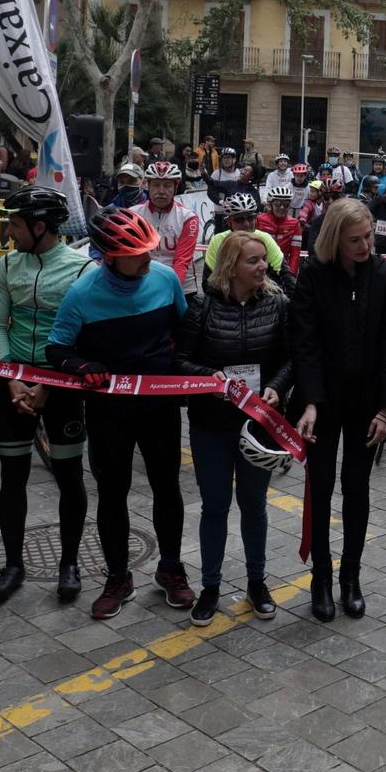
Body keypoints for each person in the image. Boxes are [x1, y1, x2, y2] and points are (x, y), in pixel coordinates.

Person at [46, 207, 196, 619]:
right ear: (110, 257)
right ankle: (118, 576)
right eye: (140, 254)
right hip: (108, 411)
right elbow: (57, 348)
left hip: (159, 408)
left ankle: (171, 569)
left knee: (168, 488)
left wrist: (181, 369)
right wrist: (81, 366)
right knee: (112, 493)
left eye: (151, 250)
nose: (150, 259)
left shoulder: (165, 280)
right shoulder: (82, 293)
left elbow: (185, 330)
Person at [291, 199, 386, 621]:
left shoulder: (383, 274)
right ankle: (320, 577)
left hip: (367, 404)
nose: (365, 244)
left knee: (356, 488)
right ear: (335, 239)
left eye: (369, 235)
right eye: (355, 239)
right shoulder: (314, 275)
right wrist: (310, 402)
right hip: (323, 402)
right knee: (320, 489)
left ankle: (350, 577)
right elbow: (305, 344)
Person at [174, 229, 292, 626]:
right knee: (215, 507)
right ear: (230, 267)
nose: (263, 266)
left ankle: (257, 582)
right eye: (253, 261)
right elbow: (180, 362)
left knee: (254, 506)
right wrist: (214, 380)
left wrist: (276, 388)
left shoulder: (277, 304)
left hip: (258, 426)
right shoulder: (201, 307)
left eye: (264, 260)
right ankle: (210, 587)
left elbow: (291, 359)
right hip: (211, 426)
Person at [0, 187, 91, 607]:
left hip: (60, 384)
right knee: (12, 477)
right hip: (13, 380)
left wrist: (46, 385)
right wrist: (10, 379)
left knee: (69, 476)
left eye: (14, 223)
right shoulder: (7, 265)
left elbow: (82, 335)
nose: (8, 230)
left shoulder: (82, 269)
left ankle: (69, 563)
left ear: (40, 226)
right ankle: (12, 565)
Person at [138, 161, 202, 301]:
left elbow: (181, 261)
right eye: (155, 185)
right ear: (147, 186)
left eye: (167, 185)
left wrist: (170, 292)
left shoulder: (188, 218)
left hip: (181, 287)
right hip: (144, 284)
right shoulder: (134, 214)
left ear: (175, 187)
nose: (161, 191)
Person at [206, 193, 283, 275]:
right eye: (239, 219)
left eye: (250, 217)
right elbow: (209, 280)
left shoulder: (265, 238)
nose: (246, 224)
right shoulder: (217, 241)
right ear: (229, 222)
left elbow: (284, 274)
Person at [257, 184, 305, 281]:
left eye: (286, 204)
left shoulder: (295, 224)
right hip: (262, 266)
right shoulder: (259, 220)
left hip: (283, 268)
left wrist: (291, 277)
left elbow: (295, 253)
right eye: (278, 204)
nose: (282, 207)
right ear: (270, 205)